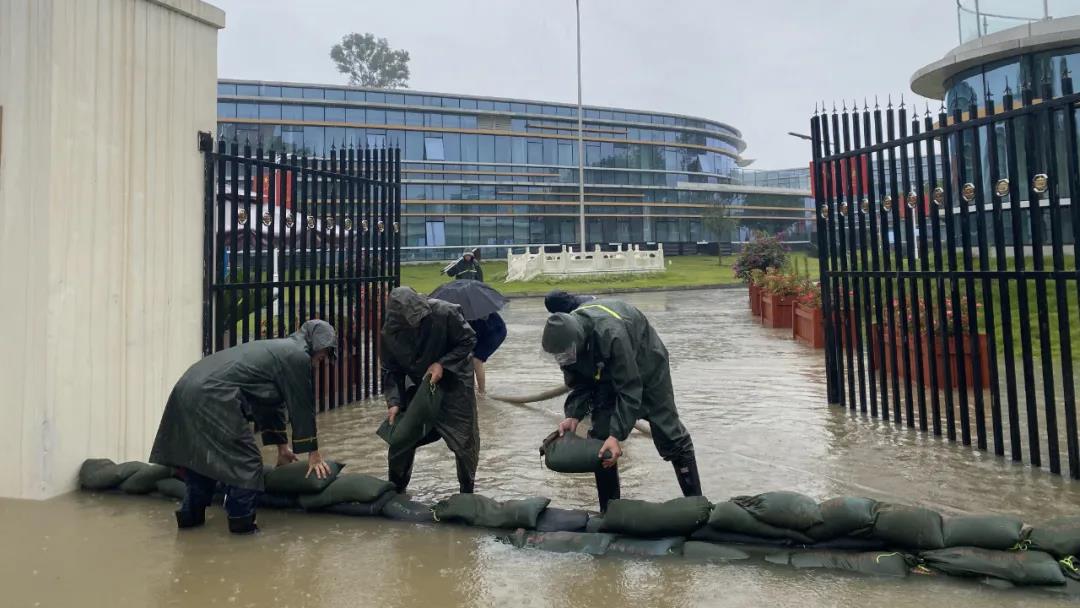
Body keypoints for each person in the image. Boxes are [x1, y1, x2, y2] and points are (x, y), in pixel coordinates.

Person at [149, 319, 337, 534]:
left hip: (186, 388)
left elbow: (270, 405)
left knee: (200, 459)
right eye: (324, 354)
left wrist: (282, 449)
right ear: (318, 344)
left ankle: (190, 522)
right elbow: (302, 406)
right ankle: (242, 528)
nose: (322, 361)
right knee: (247, 463)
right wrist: (313, 453)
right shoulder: (297, 356)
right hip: (212, 395)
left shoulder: (279, 349)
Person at [541, 299, 701, 512]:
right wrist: (573, 415)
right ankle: (610, 511)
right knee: (600, 437)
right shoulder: (566, 348)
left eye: (565, 355)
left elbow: (630, 388)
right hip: (604, 371)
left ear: (579, 342)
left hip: (646, 364)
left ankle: (696, 505)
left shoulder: (611, 334)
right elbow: (579, 383)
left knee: (668, 432)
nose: (562, 359)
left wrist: (617, 436)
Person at [381, 286, 480, 494]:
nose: (415, 325)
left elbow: (468, 340)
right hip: (420, 387)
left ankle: (467, 491)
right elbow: (391, 370)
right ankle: (396, 490)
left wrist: (442, 364)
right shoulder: (390, 332)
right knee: (402, 440)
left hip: (455, 383)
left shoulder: (446, 313)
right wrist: (394, 402)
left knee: (464, 442)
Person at [468, 311, 507, 394]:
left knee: (476, 360)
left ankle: (482, 393)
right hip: (479, 332)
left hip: (495, 331)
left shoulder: (474, 307)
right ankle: (472, 388)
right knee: (468, 356)